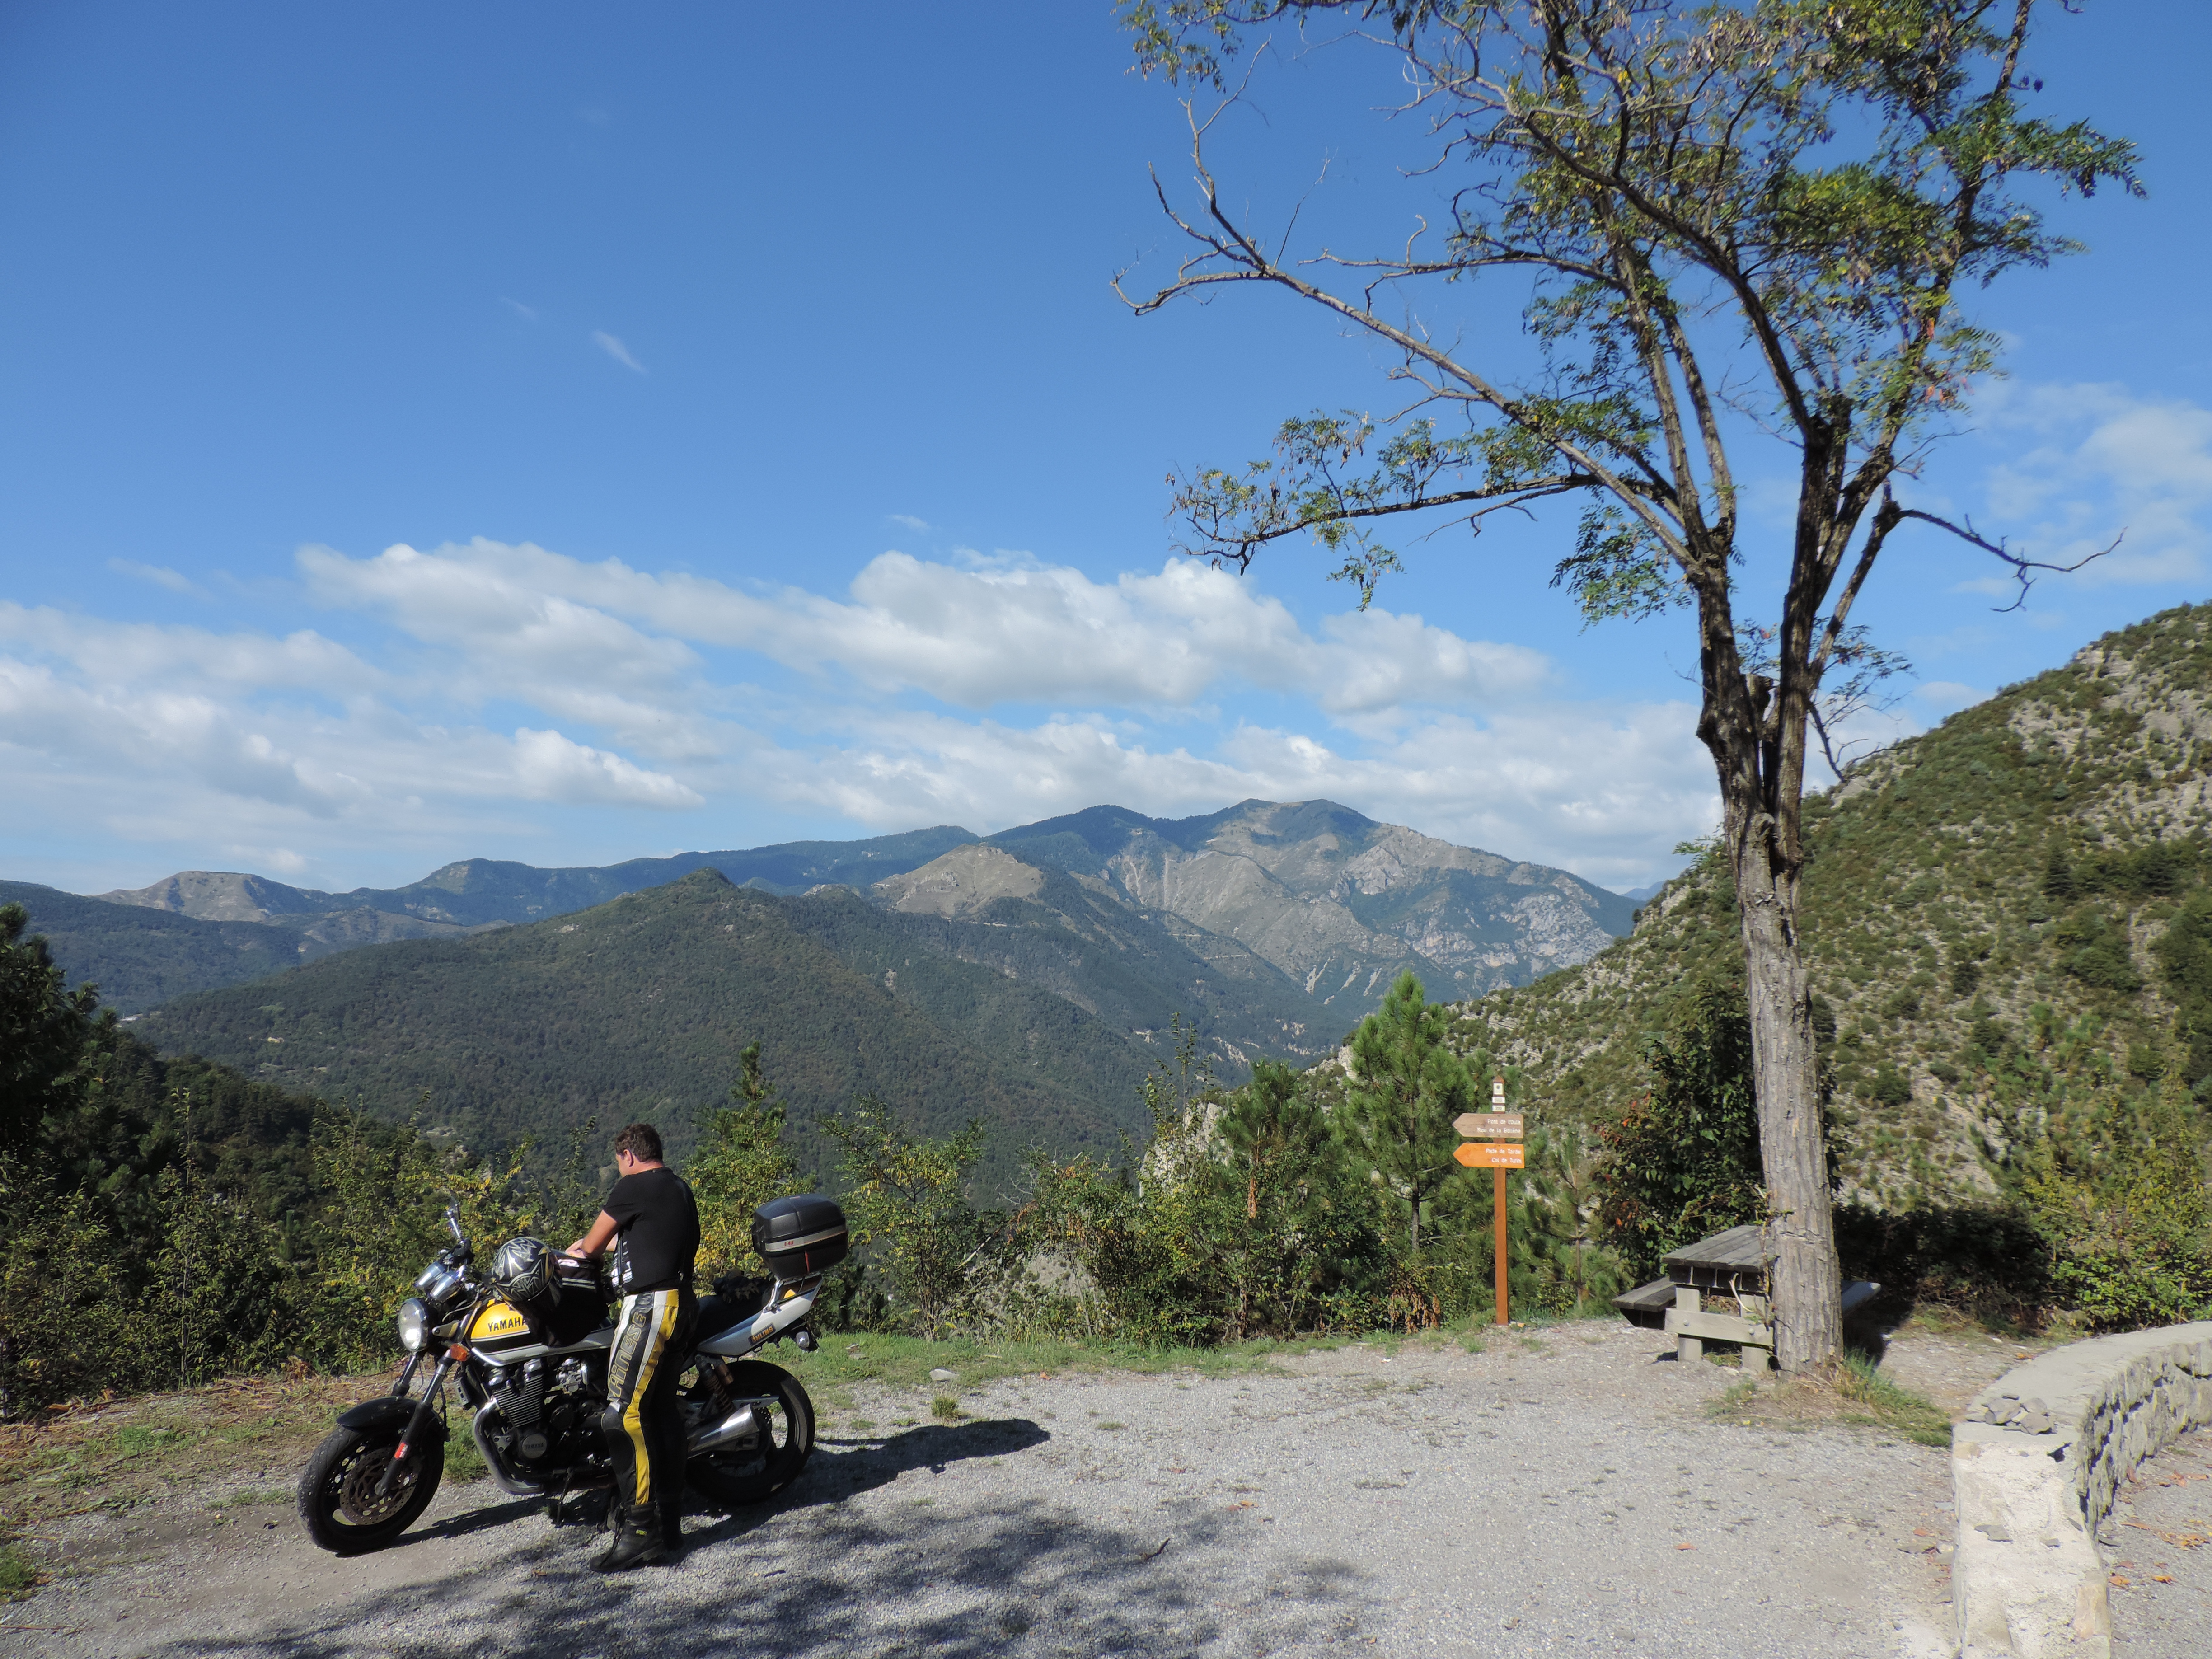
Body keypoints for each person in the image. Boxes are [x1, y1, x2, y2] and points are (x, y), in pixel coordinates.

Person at [565, 1121, 700, 1571]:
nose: (619, 1169)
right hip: (683, 1305)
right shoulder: (678, 1188)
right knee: (662, 1413)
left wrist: (578, 1251)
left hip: (650, 1309)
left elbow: (591, 1245)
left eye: (618, 1162)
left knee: (621, 1415)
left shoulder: (633, 1187)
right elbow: (656, 1241)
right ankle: (670, 1523)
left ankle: (640, 1531)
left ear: (629, 1156)